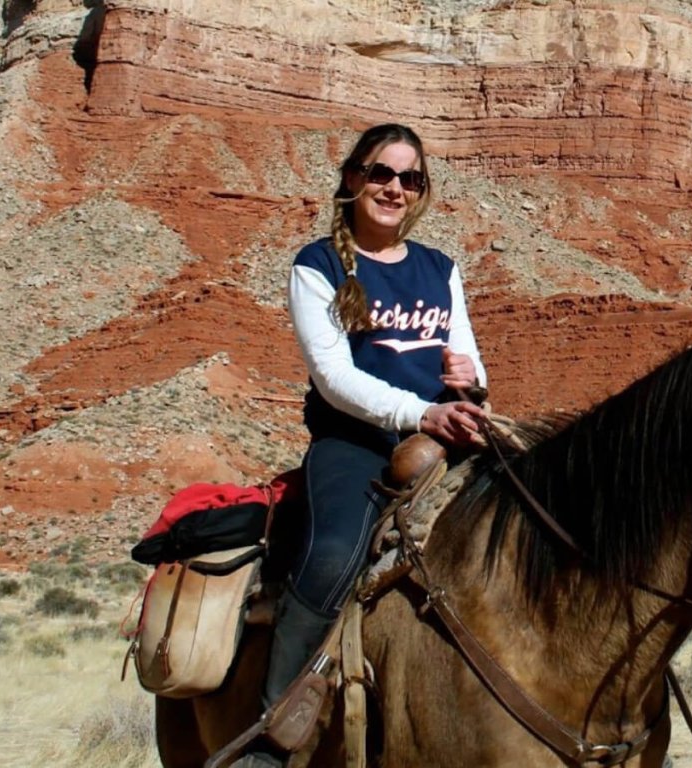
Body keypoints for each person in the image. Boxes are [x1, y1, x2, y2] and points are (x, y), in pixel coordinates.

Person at [237, 124, 488, 766]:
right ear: (353, 179)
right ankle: (273, 733)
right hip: (356, 445)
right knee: (331, 557)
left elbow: (467, 361)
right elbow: (335, 377)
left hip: (444, 437)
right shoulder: (316, 265)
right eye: (382, 173)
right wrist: (423, 413)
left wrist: (471, 384)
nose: (395, 188)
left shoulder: (441, 268)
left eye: (411, 178)